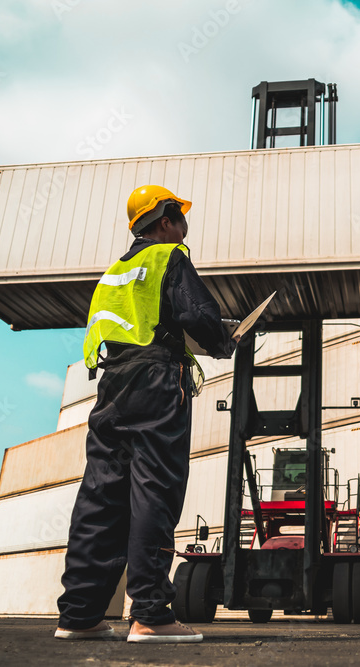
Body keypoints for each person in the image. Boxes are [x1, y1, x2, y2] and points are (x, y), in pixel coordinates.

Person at [55, 185, 237, 643]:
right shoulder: (169, 257)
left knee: (100, 497)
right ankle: (151, 616)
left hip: (111, 387)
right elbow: (196, 314)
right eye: (179, 217)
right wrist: (223, 340)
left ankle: (79, 616)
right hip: (156, 382)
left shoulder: (113, 273)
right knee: (155, 491)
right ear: (164, 221)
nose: (183, 225)